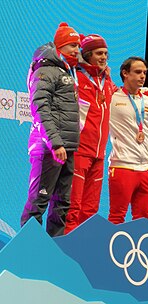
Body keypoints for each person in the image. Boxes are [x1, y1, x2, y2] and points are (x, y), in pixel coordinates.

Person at [20, 22, 81, 236]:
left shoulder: (65, 70)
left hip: (66, 146)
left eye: (78, 46)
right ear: (59, 46)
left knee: (62, 204)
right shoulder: (45, 69)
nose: (77, 50)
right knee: (39, 199)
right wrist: (55, 142)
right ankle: (26, 251)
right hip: (49, 146)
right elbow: (40, 106)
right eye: (72, 45)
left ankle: (53, 253)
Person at [64, 34, 117, 234]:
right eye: (99, 53)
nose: (104, 57)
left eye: (105, 53)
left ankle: (84, 252)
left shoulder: (106, 79)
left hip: (99, 154)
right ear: (87, 54)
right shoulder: (76, 76)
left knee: (91, 210)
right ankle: (66, 250)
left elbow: (123, 94)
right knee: (73, 207)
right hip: (79, 151)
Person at [108, 56, 148, 224]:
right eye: (138, 72)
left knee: (144, 220)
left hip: (146, 169)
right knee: (117, 217)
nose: (142, 76)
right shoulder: (112, 98)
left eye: (144, 73)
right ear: (125, 73)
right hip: (121, 165)